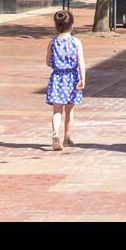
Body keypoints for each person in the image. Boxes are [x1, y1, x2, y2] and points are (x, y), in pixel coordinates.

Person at [45, 10, 85, 151]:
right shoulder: (76, 42)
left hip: (57, 78)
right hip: (72, 78)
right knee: (69, 111)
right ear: (72, 25)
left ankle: (55, 133)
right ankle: (67, 138)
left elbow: (47, 62)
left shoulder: (53, 42)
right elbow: (81, 62)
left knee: (56, 111)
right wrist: (83, 79)